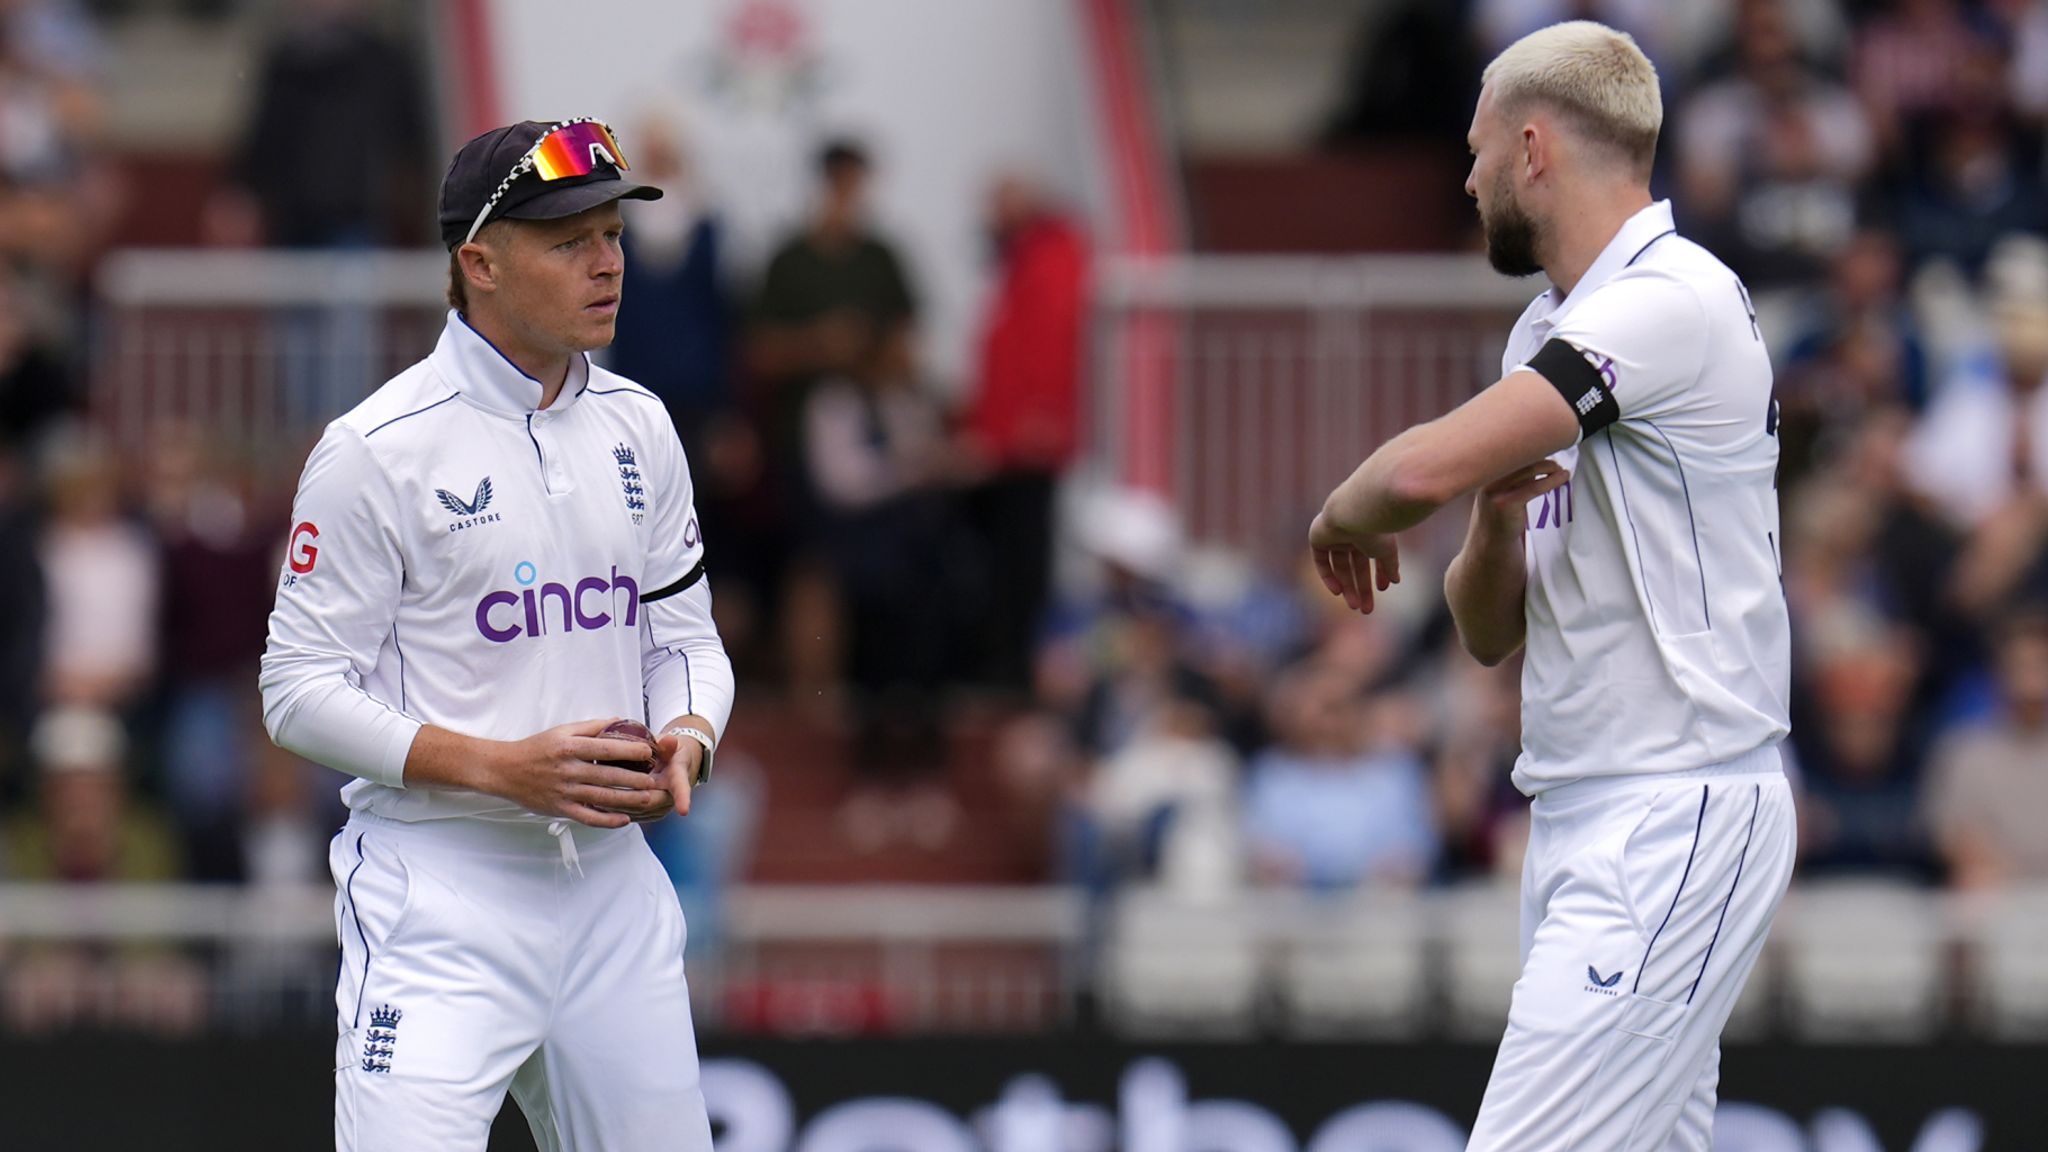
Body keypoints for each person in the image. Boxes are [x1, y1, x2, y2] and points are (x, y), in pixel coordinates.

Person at [1307, 23, 1795, 1149]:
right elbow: (1486, 633)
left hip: (1675, 811)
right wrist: (1488, 520)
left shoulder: (1669, 298)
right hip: (1582, 815)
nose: (1467, 180)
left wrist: (1341, 509)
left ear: (1532, 149)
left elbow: (1416, 469)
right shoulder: (1550, 332)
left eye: (1476, 153)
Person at [259, 118, 732, 1150]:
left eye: (611, 235)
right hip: (439, 899)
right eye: (570, 242)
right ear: (478, 262)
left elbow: (684, 639)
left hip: (612, 892)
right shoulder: (373, 451)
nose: (608, 263)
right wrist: (500, 768)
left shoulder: (640, 426)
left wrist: (687, 735)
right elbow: (295, 691)